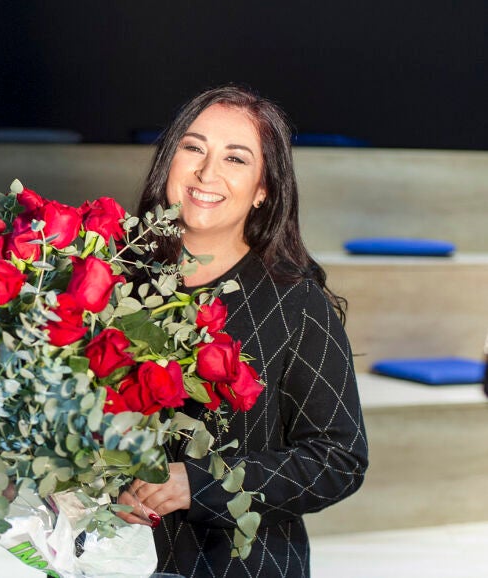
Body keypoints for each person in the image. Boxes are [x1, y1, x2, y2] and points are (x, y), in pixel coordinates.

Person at [116, 85, 368, 577]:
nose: (207, 173)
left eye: (235, 158)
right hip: (109, 555)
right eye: (193, 148)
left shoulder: (296, 302)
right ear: (168, 161)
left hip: (239, 564)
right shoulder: (114, 277)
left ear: (263, 189)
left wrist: (200, 483)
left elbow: (339, 459)